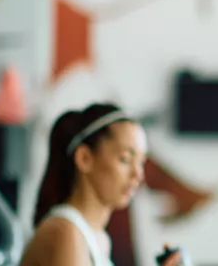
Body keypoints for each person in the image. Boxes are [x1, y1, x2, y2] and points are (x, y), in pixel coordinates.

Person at [21, 103, 185, 266]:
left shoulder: (99, 238)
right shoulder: (65, 231)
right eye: (125, 159)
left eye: (141, 162)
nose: (138, 174)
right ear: (85, 158)